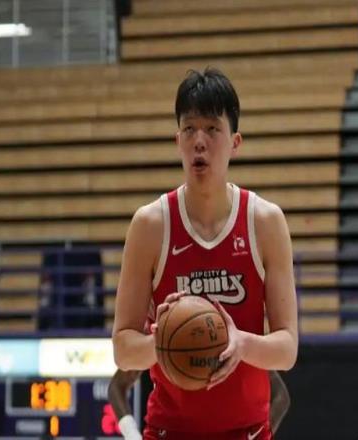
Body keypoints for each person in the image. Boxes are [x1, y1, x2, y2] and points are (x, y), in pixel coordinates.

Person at [112, 67, 298, 439]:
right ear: (177, 140)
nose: (199, 141)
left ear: (235, 142)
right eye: (189, 129)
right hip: (169, 430)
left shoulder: (265, 222)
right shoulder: (150, 225)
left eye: (212, 129)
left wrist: (241, 343)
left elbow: (287, 349)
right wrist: (163, 341)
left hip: (247, 431)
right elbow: (123, 350)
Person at [108, 369, 291, 439]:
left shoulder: (235, 330)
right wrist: (132, 435)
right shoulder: (165, 329)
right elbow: (117, 386)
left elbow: (281, 396)